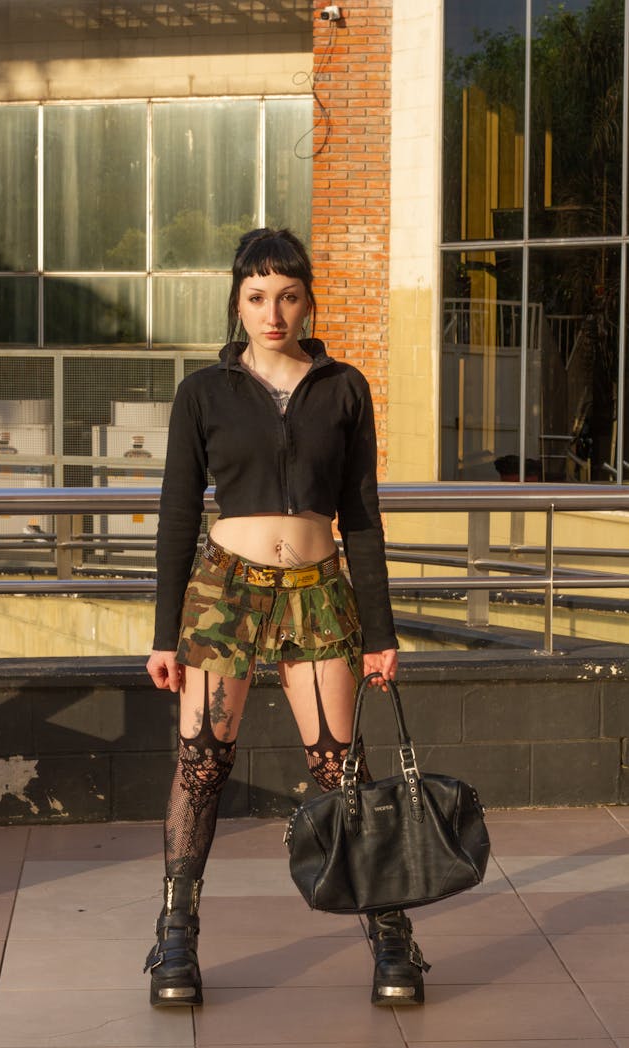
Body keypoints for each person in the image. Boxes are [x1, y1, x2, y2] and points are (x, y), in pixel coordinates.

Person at [144, 227, 429, 1007]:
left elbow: (363, 517)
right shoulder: (203, 392)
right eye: (257, 297)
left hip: (319, 587)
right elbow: (176, 514)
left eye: (289, 296)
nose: (274, 313)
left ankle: (391, 930)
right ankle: (175, 935)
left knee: (339, 763)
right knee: (201, 761)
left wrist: (382, 633)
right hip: (222, 591)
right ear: (237, 302)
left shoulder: (344, 387)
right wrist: (164, 634)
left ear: (308, 299)